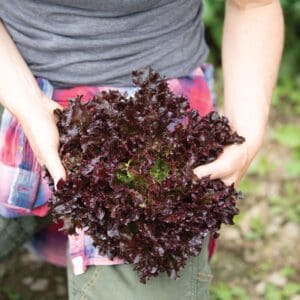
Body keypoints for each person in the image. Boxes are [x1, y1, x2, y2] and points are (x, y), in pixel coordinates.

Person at [0, 0, 284, 299]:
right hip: (18, 91)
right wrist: (28, 105)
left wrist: (245, 138)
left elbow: (254, 6)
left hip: (161, 117)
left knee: (147, 274)